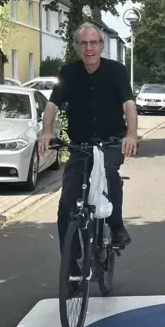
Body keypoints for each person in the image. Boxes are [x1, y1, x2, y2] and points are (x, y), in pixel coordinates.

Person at [37, 22, 138, 277]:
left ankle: (115, 227)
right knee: (66, 203)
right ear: (77, 47)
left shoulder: (116, 71)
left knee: (110, 176)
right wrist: (47, 131)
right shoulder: (68, 72)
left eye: (93, 43)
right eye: (84, 43)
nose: (89, 48)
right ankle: (71, 267)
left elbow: (129, 104)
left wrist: (132, 135)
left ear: (101, 46)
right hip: (79, 146)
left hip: (110, 141)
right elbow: (52, 105)